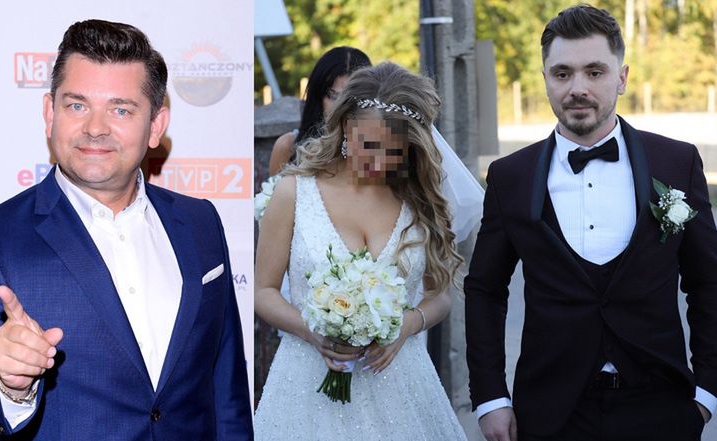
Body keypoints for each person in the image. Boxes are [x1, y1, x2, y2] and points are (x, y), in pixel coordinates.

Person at [0, 19, 252, 440]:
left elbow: (226, 385)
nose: (95, 127)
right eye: (77, 106)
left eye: (120, 109)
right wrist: (10, 386)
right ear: (50, 113)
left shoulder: (200, 223)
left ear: (156, 125)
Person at [465, 5, 717, 441]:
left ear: (622, 77)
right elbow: (485, 290)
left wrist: (708, 391)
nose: (577, 88)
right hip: (549, 412)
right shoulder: (510, 177)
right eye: (562, 73)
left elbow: (708, 282)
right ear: (545, 78)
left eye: (595, 72)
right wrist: (491, 398)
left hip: (663, 407)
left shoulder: (676, 162)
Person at [253, 62, 472, 440]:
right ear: (344, 128)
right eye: (367, 145)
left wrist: (406, 326)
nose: (377, 162)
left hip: (401, 385)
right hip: (306, 385)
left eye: (393, 151)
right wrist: (313, 332)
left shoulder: (419, 200)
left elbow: (439, 298)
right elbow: (263, 291)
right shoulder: (294, 192)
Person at [267, 46, 371, 175]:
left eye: (350, 99)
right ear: (317, 96)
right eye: (332, 95)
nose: (340, 107)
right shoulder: (287, 147)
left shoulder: (378, 150)